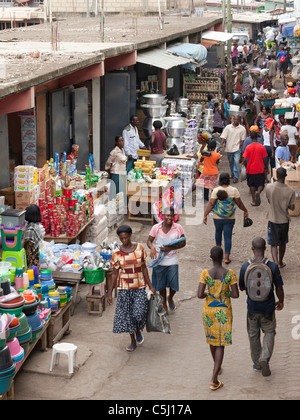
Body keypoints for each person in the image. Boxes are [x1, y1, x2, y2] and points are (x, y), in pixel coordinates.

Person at [239, 237, 284, 377]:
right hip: (268, 307)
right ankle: (265, 358)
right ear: (265, 249)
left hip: (252, 308)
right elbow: (279, 287)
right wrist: (281, 300)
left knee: (253, 335)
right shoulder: (273, 266)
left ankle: (258, 364)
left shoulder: (245, 267)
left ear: (252, 249)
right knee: (269, 332)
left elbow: (241, 287)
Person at [107, 225, 156, 352]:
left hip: (139, 286)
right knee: (128, 316)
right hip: (124, 289)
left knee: (139, 313)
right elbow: (114, 273)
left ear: (130, 235)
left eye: (126, 237)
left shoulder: (139, 248)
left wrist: (150, 286)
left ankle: (139, 330)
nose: (124, 240)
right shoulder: (116, 253)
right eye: (121, 238)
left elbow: (144, 268)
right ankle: (133, 340)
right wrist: (110, 292)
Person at [198, 246, 239, 391]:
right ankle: (214, 379)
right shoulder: (230, 274)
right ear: (222, 257)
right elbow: (235, 295)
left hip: (209, 310)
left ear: (211, 257)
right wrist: (223, 294)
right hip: (224, 311)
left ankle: (217, 367)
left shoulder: (205, 274)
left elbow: (199, 294)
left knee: (212, 339)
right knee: (220, 343)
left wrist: (209, 295)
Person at [203, 172, 249, 264]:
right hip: (230, 217)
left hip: (217, 217)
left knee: (218, 232)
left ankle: (218, 255)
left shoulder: (216, 190)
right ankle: (227, 258)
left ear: (220, 180)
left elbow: (211, 204)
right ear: (228, 180)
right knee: (228, 237)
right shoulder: (234, 190)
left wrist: (205, 214)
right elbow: (239, 203)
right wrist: (245, 210)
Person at [147, 207, 186, 313]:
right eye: (168, 215)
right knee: (161, 284)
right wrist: (152, 247)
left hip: (172, 259)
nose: (170, 218)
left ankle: (170, 297)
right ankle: (164, 302)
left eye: (172, 216)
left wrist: (170, 248)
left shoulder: (178, 227)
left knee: (174, 284)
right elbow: (149, 241)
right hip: (159, 260)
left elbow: (183, 242)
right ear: (163, 216)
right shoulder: (156, 227)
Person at [266, 167, 296, 268]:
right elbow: (292, 208)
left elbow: (269, 200)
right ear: (286, 176)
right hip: (284, 221)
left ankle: (275, 264)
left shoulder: (269, 187)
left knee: (273, 243)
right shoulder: (290, 191)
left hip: (273, 219)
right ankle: (280, 262)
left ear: (276, 176)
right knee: (282, 242)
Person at [243, 130, 268, 206]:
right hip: (260, 169)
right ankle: (259, 192)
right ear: (257, 137)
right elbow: (264, 159)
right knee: (261, 184)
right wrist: (266, 167)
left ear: (250, 137)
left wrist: (246, 166)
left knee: (252, 185)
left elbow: (244, 159)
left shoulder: (248, 147)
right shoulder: (261, 147)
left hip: (250, 170)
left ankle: (254, 200)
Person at [219, 115, 246, 183]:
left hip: (237, 148)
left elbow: (243, 139)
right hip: (229, 148)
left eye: (237, 120)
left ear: (240, 121)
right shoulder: (228, 127)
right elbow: (224, 136)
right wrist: (221, 144)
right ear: (233, 119)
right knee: (231, 162)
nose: (236, 121)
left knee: (236, 162)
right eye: (235, 119)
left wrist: (240, 145)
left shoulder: (242, 129)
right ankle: (232, 173)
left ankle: (236, 177)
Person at [24, 204, 45, 270]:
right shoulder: (36, 225)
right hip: (35, 257)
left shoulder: (30, 229)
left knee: (31, 275)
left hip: (30, 259)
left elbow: (28, 247)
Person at [261, 118, 276, 182]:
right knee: (272, 164)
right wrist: (272, 152)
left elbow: (263, 139)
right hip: (271, 147)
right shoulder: (271, 130)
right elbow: (271, 141)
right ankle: (272, 178)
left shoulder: (263, 130)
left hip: (264, 147)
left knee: (265, 164)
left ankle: (265, 178)